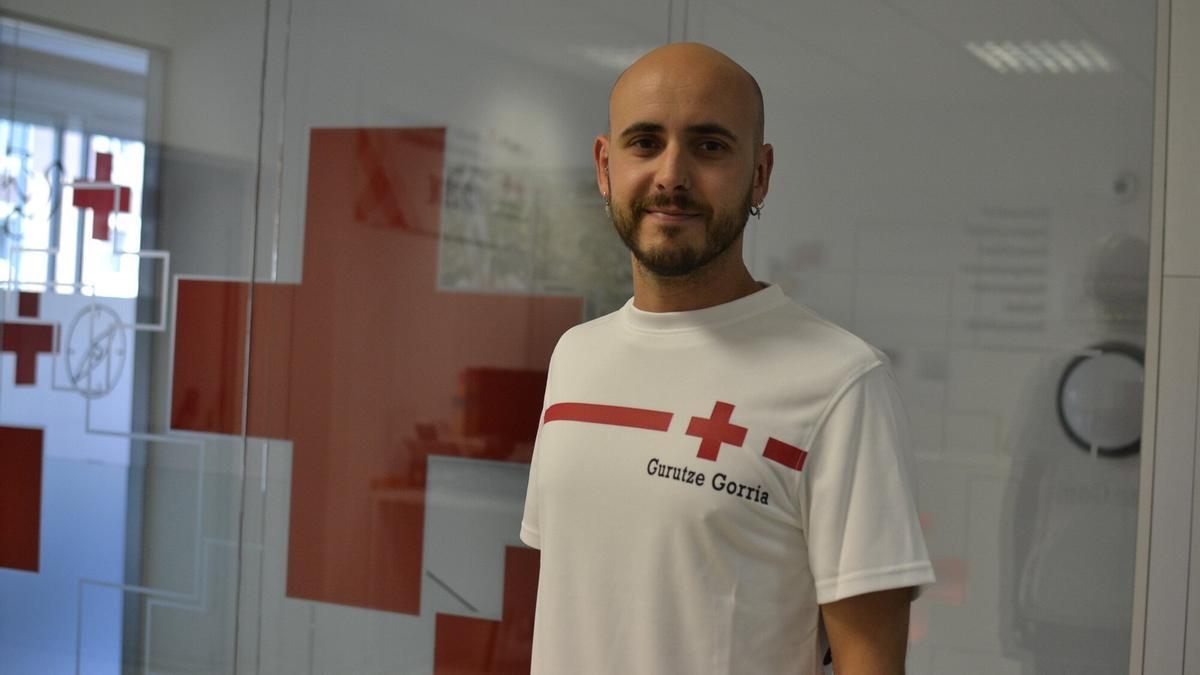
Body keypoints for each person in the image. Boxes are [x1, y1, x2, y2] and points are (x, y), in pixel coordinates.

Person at [519, 42, 934, 674]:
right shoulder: (576, 357)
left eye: (709, 146)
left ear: (760, 174)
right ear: (605, 165)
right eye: (644, 142)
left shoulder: (841, 385)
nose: (672, 175)